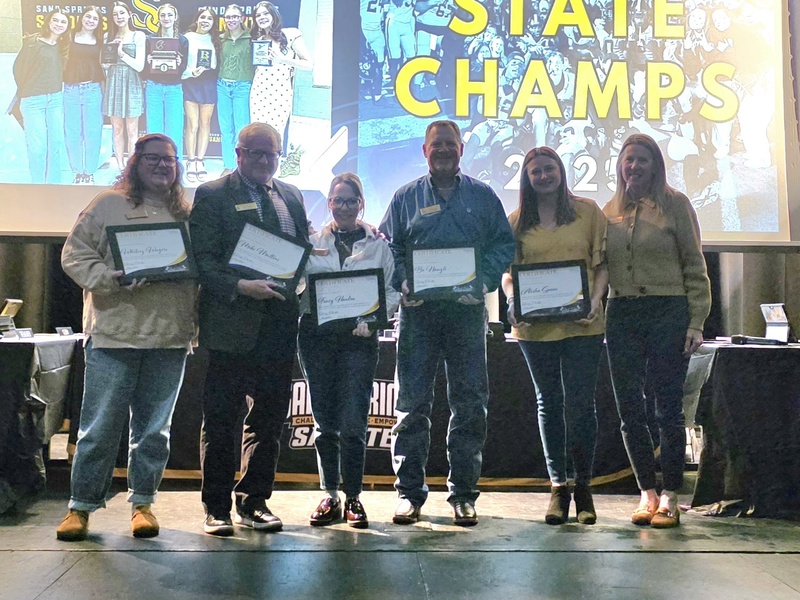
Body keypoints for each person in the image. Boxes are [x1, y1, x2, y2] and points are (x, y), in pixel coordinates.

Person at [56, 133, 196, 541]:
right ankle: (80, 507)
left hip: (170, 336)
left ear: (177, 166)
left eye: (169, 160)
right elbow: (74, 253)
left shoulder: (186, 212)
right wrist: (109, 280)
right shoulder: (107, 204)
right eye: (152, 159)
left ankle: (143, 504)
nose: (161, 166)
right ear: (135, 162)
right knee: (98, 429)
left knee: (154, 431)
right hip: (114, 335)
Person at [379, 120, 515, 526]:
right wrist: (402, 281)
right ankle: (408, 493)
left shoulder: (483, 196)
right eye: (435, 144)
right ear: (424, 151)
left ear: (461, 150)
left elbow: (503, 244)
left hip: (466, 313)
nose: (443, 150)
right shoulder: (405, 198)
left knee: (470, 404)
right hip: (418, 315)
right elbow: (390, 248)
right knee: (411, 406)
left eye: (450, 145)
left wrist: (485, 282)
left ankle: (463, 494)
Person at [189, 122, 309, 536]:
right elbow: (201, 262)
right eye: (255, 153)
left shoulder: (291, 195)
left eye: (271, 153)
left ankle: (254, 501)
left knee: (270, 419)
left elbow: (297, 256)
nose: (263, 160)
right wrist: (241, 286)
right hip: (230, 325)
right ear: (238, 154)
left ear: (280, 155)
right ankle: (217, 507)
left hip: (279, 326)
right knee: (222, 418)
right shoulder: (212, 195)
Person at [603, 133, 711, 529]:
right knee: (630, 410)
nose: (634, 166)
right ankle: (646, 492)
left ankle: (671, 495)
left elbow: (695, 267)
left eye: (642, 160)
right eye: (628, 159)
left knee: (667, 408)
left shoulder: (676, 205)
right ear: (620, 165)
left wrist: (696, 320)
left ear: (656, 165)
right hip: (621, 312)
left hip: (668, 310)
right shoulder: (609, 210)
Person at [500, 147, 608, 525]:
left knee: (581, 404)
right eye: (535, 172)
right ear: (526, 179)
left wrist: (595, 301)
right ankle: (558, 487)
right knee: (548, 402)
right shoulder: (516, 221)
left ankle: (584, 488)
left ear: (561, 172)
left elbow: (602, 264)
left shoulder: (589, 212)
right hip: (534, 328)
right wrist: (513, 298)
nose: (543, 176)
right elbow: (508, 274)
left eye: (549, 169)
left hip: (583, 325)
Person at [298, 173, 400, 529]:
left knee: (354, 421)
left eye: (350, 200)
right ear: (329, 203)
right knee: (325, 422)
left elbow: (391, 291)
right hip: (317, 339)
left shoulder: (379, 245)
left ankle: (354, 496)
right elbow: (300, 289)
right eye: (337, 200)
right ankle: (331, 495)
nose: (343, 206)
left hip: (359, 339)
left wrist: (373, 320)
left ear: (361, 204)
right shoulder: (312, 243)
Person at [12, 8, 69, 184]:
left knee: (56, 144)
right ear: (48, 22)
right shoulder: (33, 43)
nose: (59, 24)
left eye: (63, 22)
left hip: (55, 99)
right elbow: (18, 69)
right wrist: (28, 89)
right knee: (37, 147)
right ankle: (37, 186)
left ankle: (53, 186)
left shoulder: (63, 46)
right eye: (56, 20)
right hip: (33, 100)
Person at [249, 2, 312, 156]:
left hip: (280, 92)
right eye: (258, 15)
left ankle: (272, 172)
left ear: (273, 15)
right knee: (257, 132)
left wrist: (284, 60)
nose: (262, 17)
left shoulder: (290, 34)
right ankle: (257, 172)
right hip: (259, 90)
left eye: (265, 14)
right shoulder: (258, 38)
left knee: (275, 133)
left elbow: (309, 64)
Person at [103, 1, 146, 172]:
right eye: (115, 14)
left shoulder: (138, 36)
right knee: (117, 128)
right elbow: (104, 64)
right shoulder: (108, 36)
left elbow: (139, 66)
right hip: (114, 83)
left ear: (129, 15)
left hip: (132, 82)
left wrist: (121, 53)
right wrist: (106, 65)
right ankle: (120, 165)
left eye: (122, 13)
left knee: (132, 128)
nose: (119, 17)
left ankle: (132, 165)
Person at [63, 6, 104, 185]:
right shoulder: (69, 36)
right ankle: (77, 171)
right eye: (88, 17)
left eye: (95, 19)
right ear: (82, 18)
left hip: (93, 90)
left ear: (98, 23)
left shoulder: (101, 41)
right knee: (72, 132)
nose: (90, 21)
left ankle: (90, 171)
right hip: (71, 90)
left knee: (93, 132)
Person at [143, 4, 188, 163]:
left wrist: (179, 63)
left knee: (174, 131)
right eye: (163, 15)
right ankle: (153, 166)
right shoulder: (150, 39)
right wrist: (148, 62)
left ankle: (175, 167)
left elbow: (183, 69)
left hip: (174, 89)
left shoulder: (182, 40)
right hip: (153, 87)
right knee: (154, 131)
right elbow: (144, 70)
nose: (166, 18)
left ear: (175, 17)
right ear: (159, 18)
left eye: (170, 15)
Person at [182, 7, 219, 183]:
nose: (205, 21)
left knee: (205, 124)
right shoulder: (187, 37)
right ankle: (190, 161)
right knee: (193, 124)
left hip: (209, 83)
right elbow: (180, 62)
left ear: (213, 22)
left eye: (209, 19)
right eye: (202, 17)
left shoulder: (216, 40)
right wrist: (190, 72)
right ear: (197, 19)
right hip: (191, 82)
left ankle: (200, 161)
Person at [216, 4, 253, 178]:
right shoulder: (221, 39)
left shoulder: (251, 38)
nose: (231, 20)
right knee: (225, 127)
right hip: (222, 85)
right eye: (228, 17)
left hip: (242, 86)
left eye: (234, 16)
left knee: (241, 128)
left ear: (242, 18)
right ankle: (228, 164)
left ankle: (242, 166)